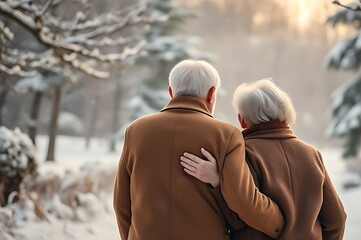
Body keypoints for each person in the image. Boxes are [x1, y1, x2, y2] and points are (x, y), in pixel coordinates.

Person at [113, 60, 285, 240]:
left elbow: (121, 203)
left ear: (171, 92)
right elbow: (243, 202)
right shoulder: (227, 135)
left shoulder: (136, 130)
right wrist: (279, 224)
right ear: (211, 94)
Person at [181, 79, 347, 240]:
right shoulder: (312, 154)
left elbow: (237, 218)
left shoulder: (242, 153)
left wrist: (217, 182)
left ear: (242, 120)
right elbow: (337, 219)